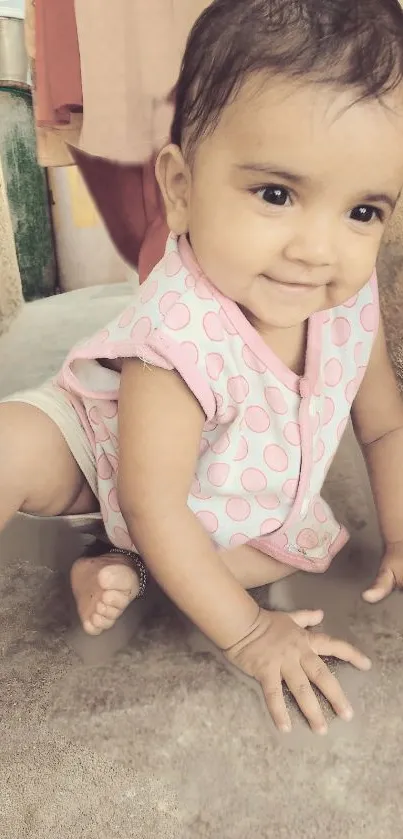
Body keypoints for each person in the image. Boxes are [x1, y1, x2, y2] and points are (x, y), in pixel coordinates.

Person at [2, 0, 403, 736]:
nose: (318, 248)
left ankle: (111, 563)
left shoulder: (347, 299)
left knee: (252, 563)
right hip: (102, 451)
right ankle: (108, 544)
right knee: (11, 446)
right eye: (276, 194)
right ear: (181, 190)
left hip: (212, 498)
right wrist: (250, 635)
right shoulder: (177, 330)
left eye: (362, 211)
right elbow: (150, 500)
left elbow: (382, 427)